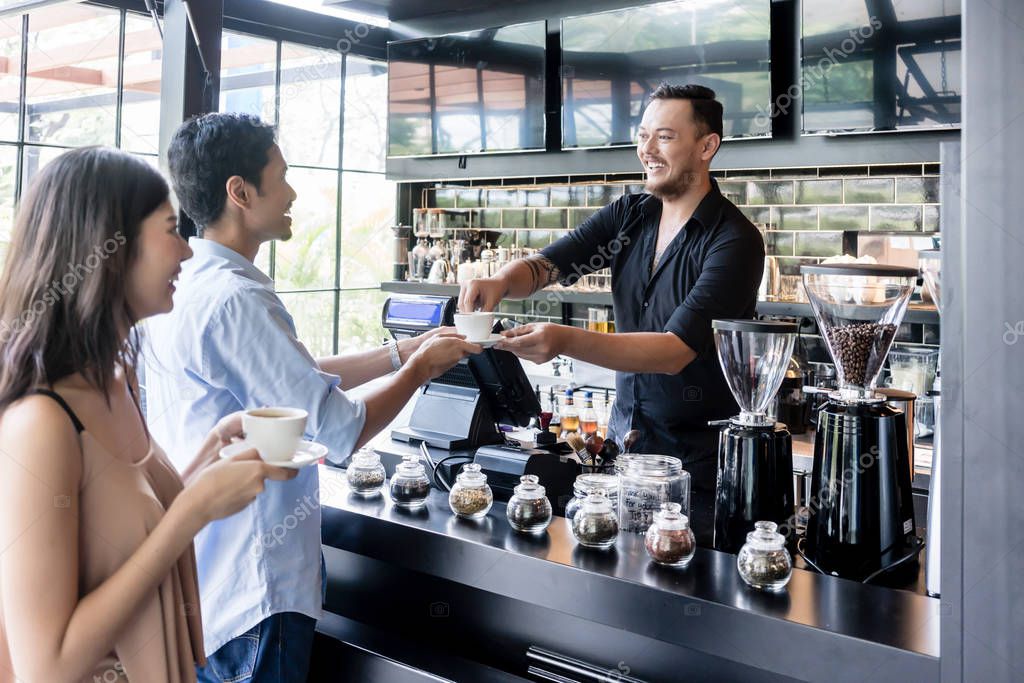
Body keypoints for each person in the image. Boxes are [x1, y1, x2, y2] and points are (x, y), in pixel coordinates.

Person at [143, 112, 479, 683]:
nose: (294, 191)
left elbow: (290, 378)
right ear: (240, 192)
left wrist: (399, 352)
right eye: (283, 176)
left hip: (206, 581)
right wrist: (421, 368)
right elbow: (336, 431)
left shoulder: (191, 280)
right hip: (256, 587)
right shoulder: (237, 299)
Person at [0, 147, 296, 682]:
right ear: (109, 248)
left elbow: (116, 543)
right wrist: (194, 512)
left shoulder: (117, 380)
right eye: (170, 229)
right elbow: (45, 667)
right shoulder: (42, 421)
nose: (186, 251)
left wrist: (204, 465)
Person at [459, 84, 765, 540]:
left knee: (681, 592)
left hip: (698, 471)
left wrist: (562, 339)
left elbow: (674, 351)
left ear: (707, 146)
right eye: (643, 136)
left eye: (664, 137)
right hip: (622, 452)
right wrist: (502, 279)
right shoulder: (631, 215)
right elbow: (548, 266)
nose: (646, 150)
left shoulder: (734, 241)